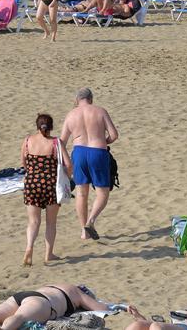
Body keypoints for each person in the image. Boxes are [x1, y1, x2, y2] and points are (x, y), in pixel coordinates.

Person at [60, 87, 118, 241]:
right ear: (91, 99)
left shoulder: (71, 115)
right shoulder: (100, 111)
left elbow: (61, 142)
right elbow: (114, 135)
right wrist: (104, 142)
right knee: (102, 192)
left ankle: (84, 231)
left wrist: (66, 161)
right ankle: (91, 221)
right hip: (98, 152)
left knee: (81, 193)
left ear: (77, 100)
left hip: (78, 152)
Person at [22, 113, 72, 266]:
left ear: (37, 126)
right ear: (51, 127)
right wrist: (67, 178)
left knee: (33, 222)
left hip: (32, 183)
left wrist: (33, 173)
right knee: (51, 222)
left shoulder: (27, 141)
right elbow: (69, 165)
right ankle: (48, 254)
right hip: (51, 184)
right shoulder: (56, 143)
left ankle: (29, 247)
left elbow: (24, 163)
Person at [0, 284, 114, 330]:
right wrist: (114, 307)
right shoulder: (76, 292)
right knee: (20, 318)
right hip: (43, 303)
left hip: (25, 295)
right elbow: (101, 308)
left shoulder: (59, 285)